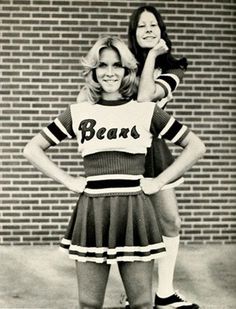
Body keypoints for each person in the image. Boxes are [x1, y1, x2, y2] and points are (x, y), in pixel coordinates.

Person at [23, 36, 205, 309]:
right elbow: (32, 148)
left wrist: (158, 181)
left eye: (117, 65)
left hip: (135, 211)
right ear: (94, 71)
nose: (110, 72)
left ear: (128, 70)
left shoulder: (145, 111)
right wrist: (68, 180)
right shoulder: (79, 111)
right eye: (103, 65)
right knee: (89, 303)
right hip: (93, 210)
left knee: (142, 302)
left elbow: (195, 146)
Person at [127, 5, 200, 309]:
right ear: (133, 33)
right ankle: (137, 294)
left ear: (161, 30)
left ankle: (164, 293)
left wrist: (155, 56)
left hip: (155, 150)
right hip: (124, 150)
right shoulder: (122, 63)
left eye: (153, 25)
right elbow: (89, 97)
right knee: (131, 228)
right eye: (141, 26)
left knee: (170, 221)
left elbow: (145, 98)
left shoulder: (173, 66)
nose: (148, 30)